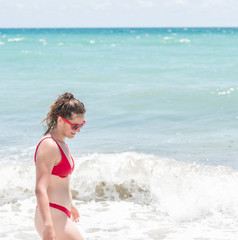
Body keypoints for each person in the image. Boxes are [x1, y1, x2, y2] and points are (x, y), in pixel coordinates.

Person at [34, 92, 86, 240]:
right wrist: (48, 226)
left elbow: (58, 182)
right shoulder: (49, 145)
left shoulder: (61, 143)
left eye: (81, 124)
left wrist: (70, 204)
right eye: (75, 126)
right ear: (61, 120)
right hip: (52, 215)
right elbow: (40, 188)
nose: (79, 130)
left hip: (61, 213)